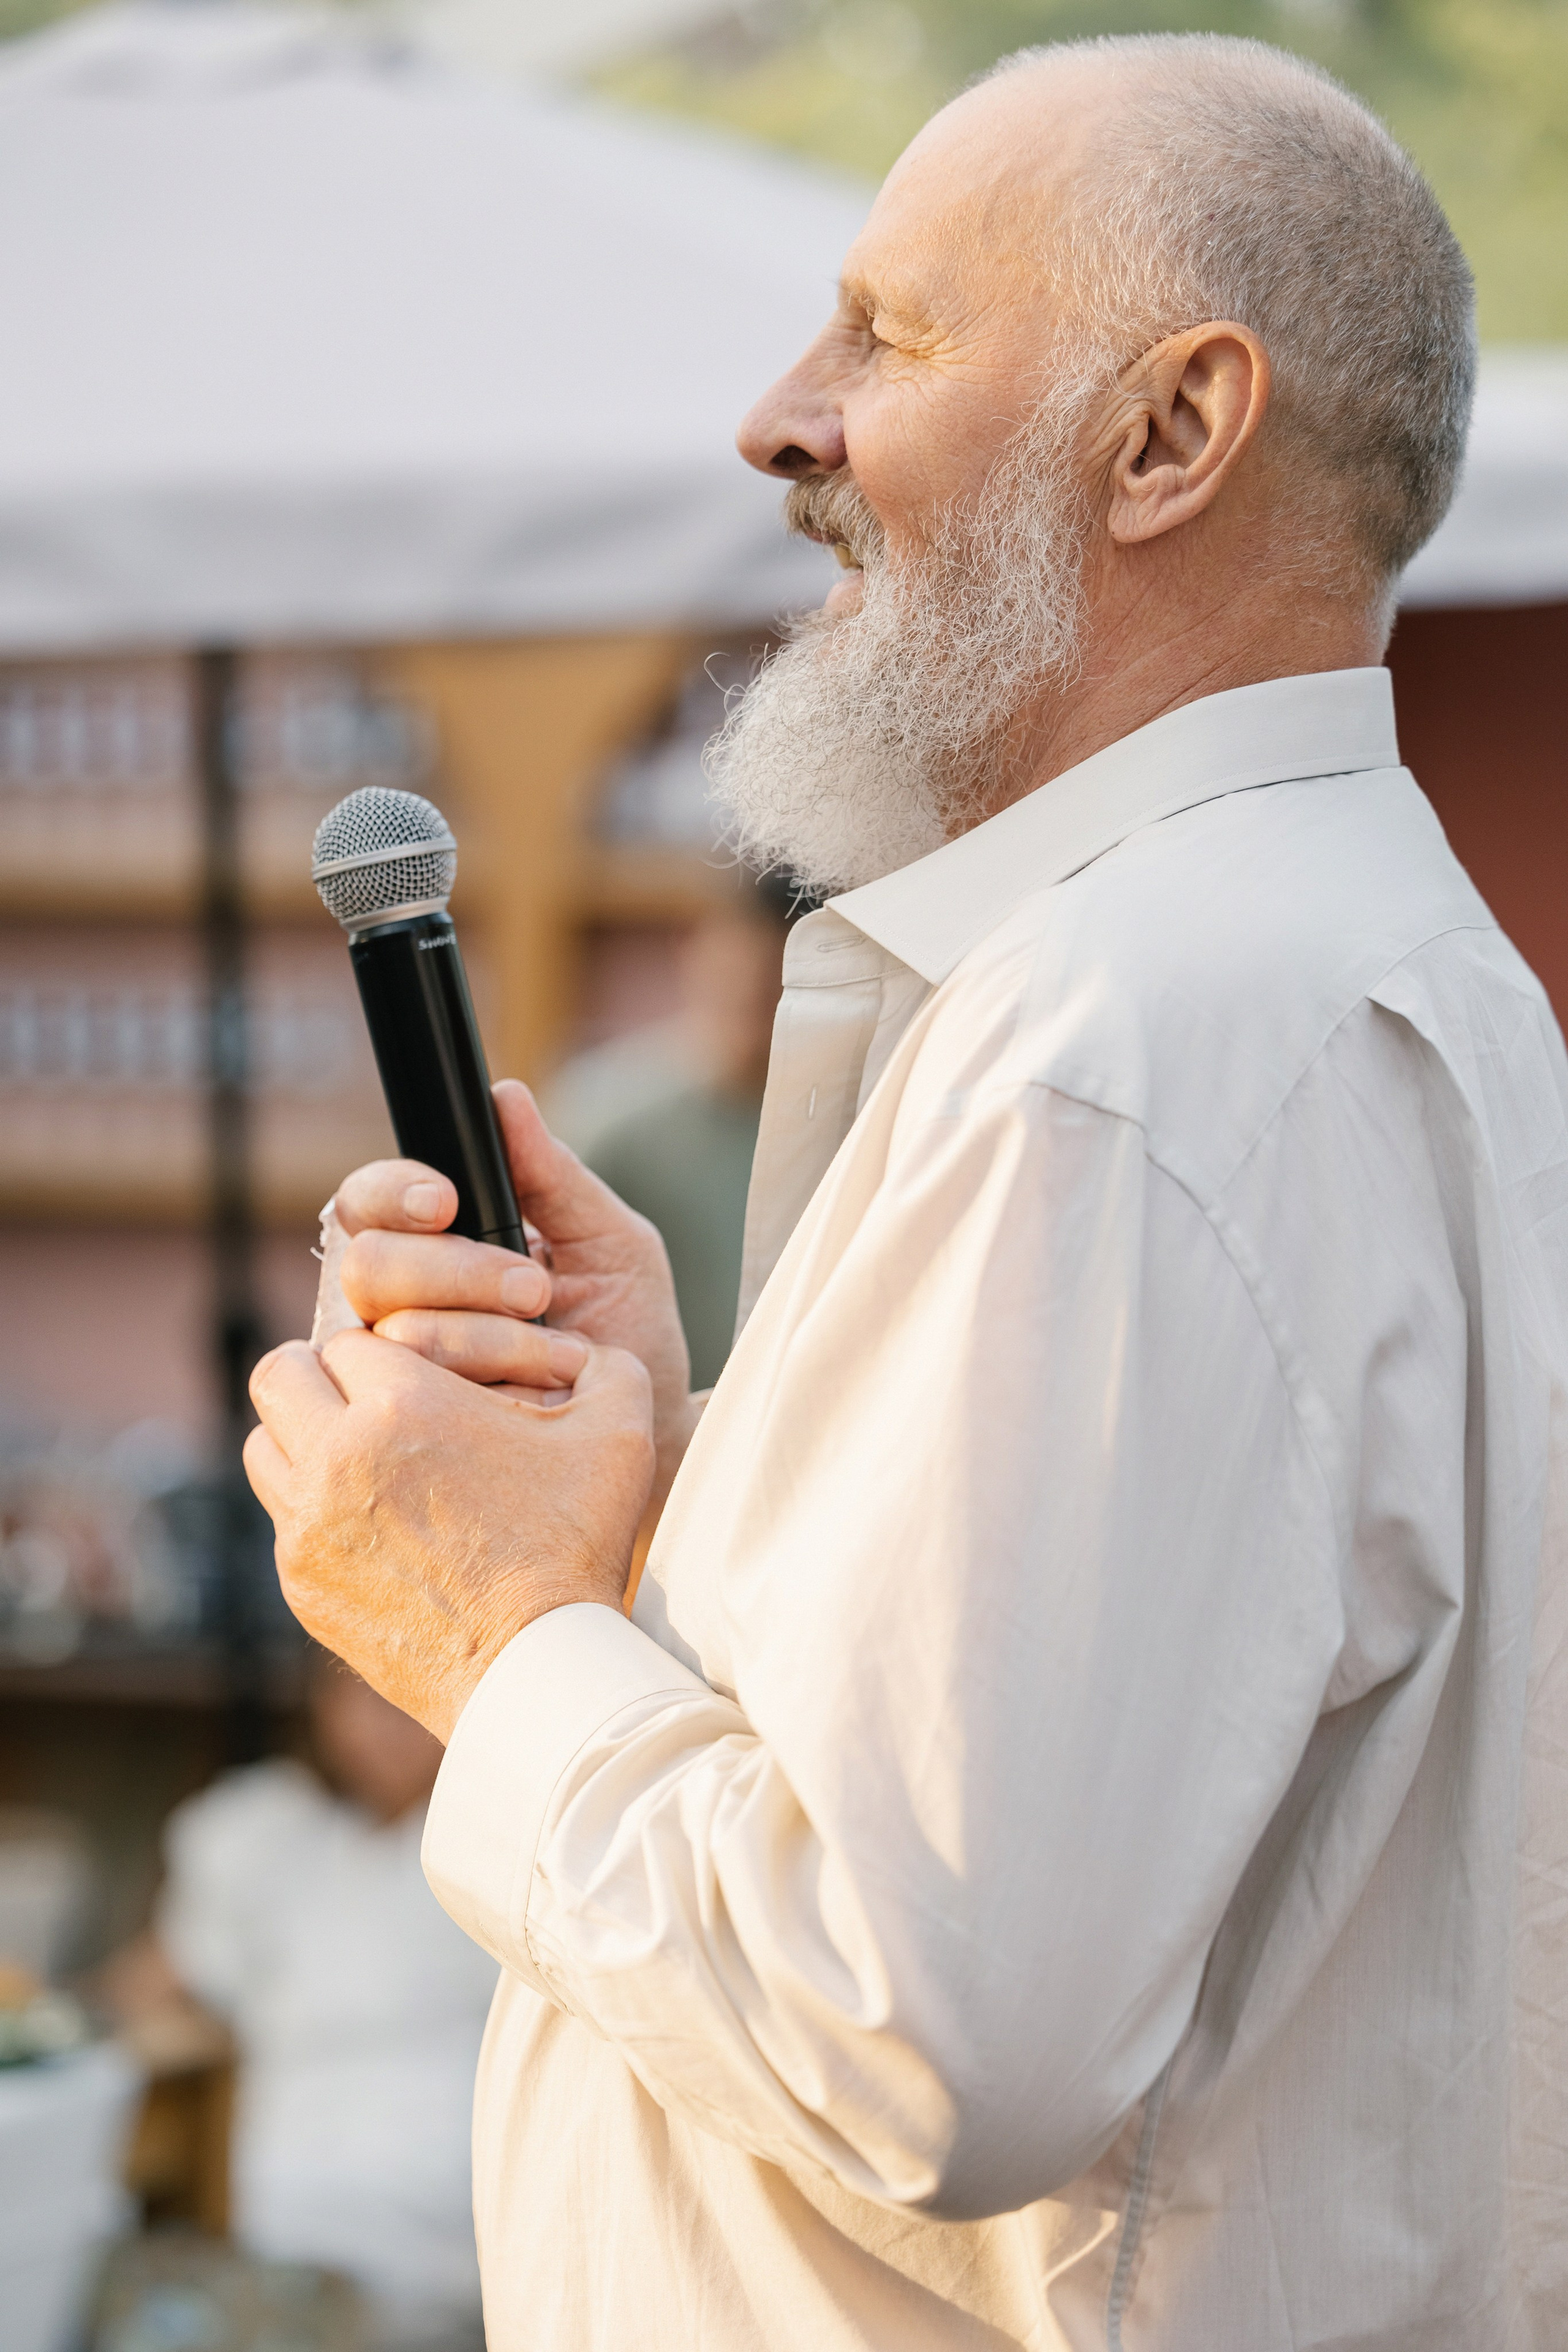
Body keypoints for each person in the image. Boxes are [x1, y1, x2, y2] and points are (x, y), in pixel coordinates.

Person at [242, 34, 1568, 2352]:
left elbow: (916, 2032)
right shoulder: (1364, 956)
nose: (778, 417)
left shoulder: (1124, 1045)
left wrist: (480, 1625)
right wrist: (673, 1485)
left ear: (1170, 431)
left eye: (887, 331)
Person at [104, 1657, 497, 2350]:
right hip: (295, 2245)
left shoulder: (507, 1836)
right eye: (366, 1700)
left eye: (408, 1698)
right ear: (323, 1705)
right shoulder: (260, 1836)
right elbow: (155, 1980)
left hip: (466, 2252)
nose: (392, 1727)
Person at [573, 886, 792, 1387]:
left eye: (773, 994)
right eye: (740, 987)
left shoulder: (847, 1119)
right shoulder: (610, 1118)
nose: (754, 1014)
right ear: (692, 951)